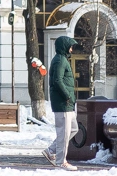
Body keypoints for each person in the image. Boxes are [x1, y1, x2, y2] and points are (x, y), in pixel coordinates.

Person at [43, 35, 79, 171]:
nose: (71, 49)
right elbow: (57, 80)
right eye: (70, 46)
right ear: (64, 46)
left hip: (66, 103)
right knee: (64, 133)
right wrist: (67, 95)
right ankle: (61, 162)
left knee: (74, 129)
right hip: (63, 102)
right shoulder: (59, 60)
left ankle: (51, 150)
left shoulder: (63, 59)